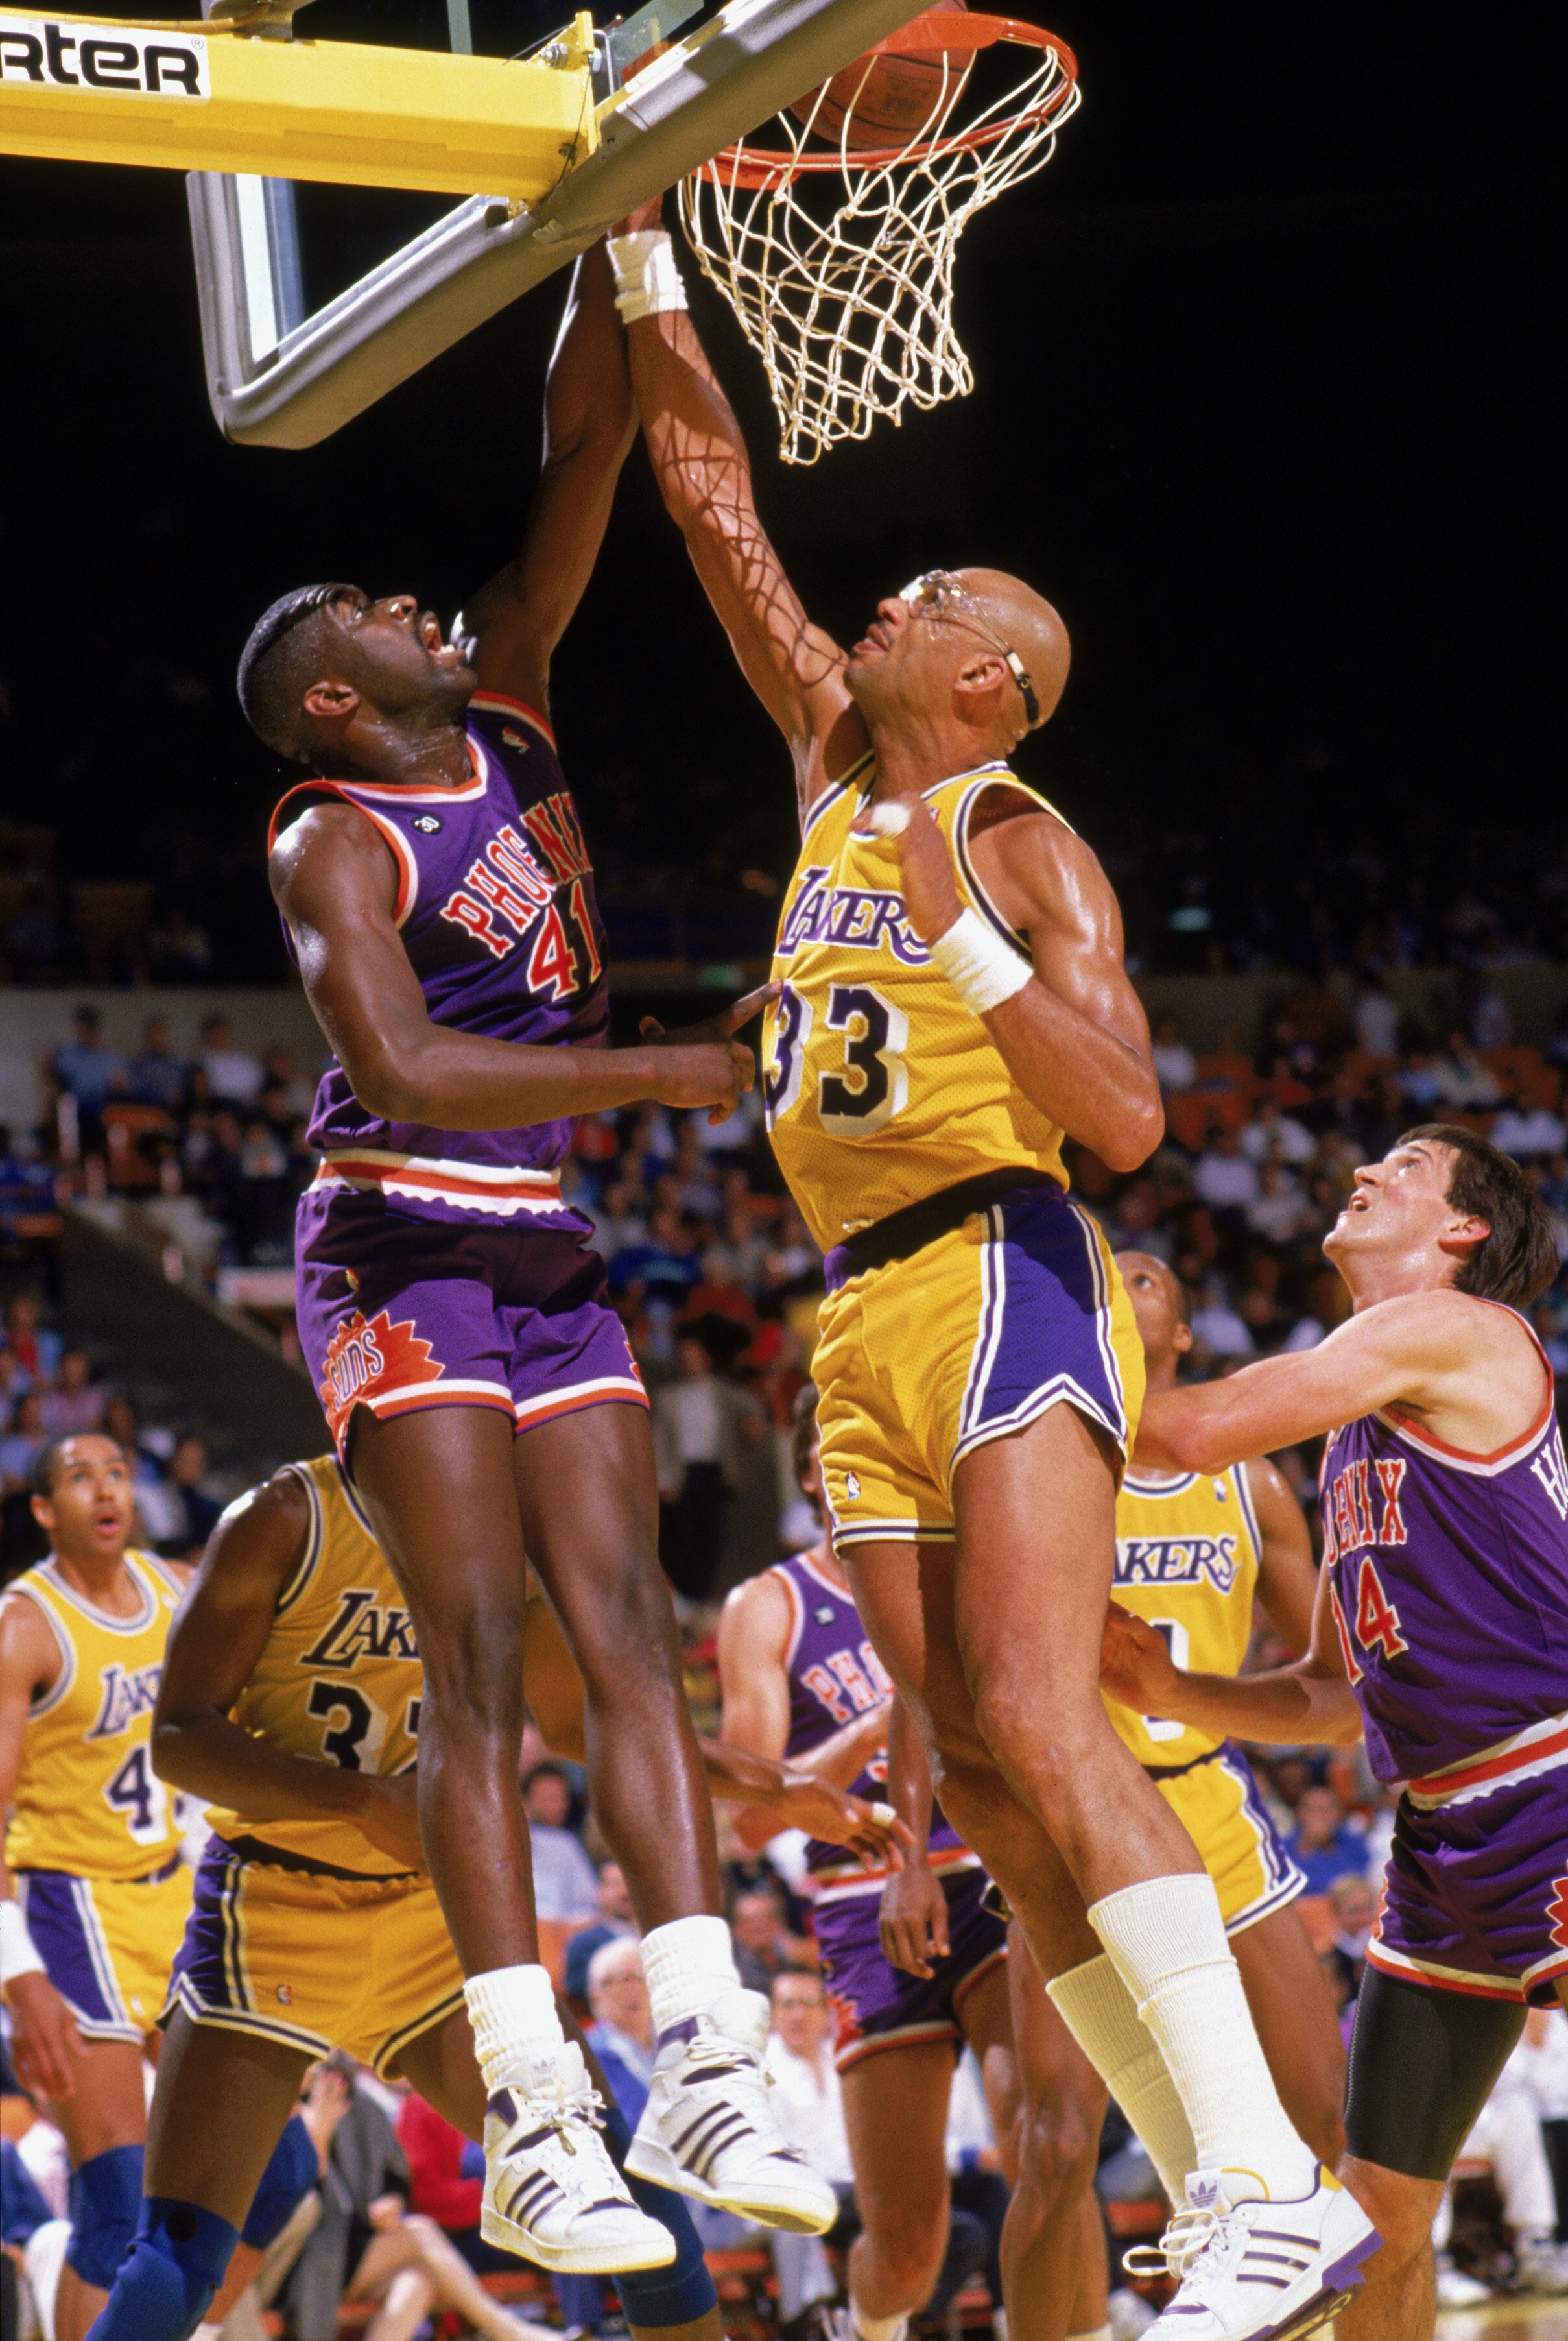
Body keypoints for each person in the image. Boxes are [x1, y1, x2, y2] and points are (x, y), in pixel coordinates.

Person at [627, 203, 1367, 2341]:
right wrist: (635, 265)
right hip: (848, 1303)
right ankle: (1244, 2193)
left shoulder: (1020, 835)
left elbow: (1128, 1125)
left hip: (998, 1267)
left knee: (1043, 1725)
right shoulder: (827, 770)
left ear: (984, 677)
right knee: (963, 1767)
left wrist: (962, 934)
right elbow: (709, 504)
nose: (883, 590)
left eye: (931, 594)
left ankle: (1246, 2175)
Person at [252, 232, 831, 2271]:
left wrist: (620, 231)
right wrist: (670, 1061)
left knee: (636, 1630)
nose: (415, 601)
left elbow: (579, 443)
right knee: (482, 1666)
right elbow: (396, 1059)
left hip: (551, 1240)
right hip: (401, 1235)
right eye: (367, 613)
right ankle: (530, 2104)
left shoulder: (506, 689)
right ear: (336, 695)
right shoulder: (330, 828)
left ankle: (702, 2037)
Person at [86, 1451, 905, 2340]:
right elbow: (178, 1736)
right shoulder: (286, 1515)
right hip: (273, 1907)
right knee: (177, 2255)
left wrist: (771, 1782)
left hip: (437, 1924)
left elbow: (583, 1720)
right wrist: (358, 1801)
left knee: (636, 2204)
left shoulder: (506, 1533)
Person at [1100, 1125, 1567, 2341]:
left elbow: (1189, 1432)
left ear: (1461, 1231)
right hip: (1439, 1841)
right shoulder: (1356, 1420)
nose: (1365, 1170)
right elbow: (1322, 1694)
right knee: (1377, 2214)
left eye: (1407, 1167)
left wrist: (1003, 1369)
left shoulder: (1461, 1328)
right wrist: (1172, 1683)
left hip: (1552, 1780)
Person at [718, 1386, 1104, 2341]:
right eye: (829, 1450)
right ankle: (868, 2327)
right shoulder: (767, 1606)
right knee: (904, 2244)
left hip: (985, 1874)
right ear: (808, 1471)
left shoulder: (957, 1569)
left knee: (1044, 2142)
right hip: (861, 1904)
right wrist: (879, 1716)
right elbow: (749, 1820)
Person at [0, 1434, 193, 2341]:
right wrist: (18, 1974)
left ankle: (165, 2328)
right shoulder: (23, 1626)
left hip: (172, 1890)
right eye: (79, 1477)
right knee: (117, 2198)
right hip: (71, 1906)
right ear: (44, 1510)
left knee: (272, 2180)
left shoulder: (176, 1588)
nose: (105, 1489)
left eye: (116, 1471)